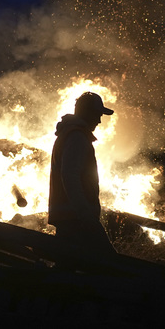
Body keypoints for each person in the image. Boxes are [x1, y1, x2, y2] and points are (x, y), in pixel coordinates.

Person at [48, 91, 116, 254]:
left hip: (70, 217)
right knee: (109, 264)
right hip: (76, 219)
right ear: (88, 113)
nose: (99, 121)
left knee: (69, 269)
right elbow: (70, 176)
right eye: (97, 115)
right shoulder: (77, 138)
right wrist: (85, 214)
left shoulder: (69, 134)